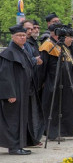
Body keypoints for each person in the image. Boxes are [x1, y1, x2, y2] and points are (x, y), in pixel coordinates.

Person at [39, 24, 73, 141]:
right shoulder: (48, 46)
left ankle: (72, 131)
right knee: (54, 109)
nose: (71, 39)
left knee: (67, 108)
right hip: (53, 83)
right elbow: (43, 68)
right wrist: (42, 83)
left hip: (66, 84)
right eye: (69, 36)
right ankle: (52, 133)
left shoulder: (63, 47)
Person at [0, 25, 44, 154]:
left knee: (21, 119)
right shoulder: (8, 53)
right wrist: (10, 93)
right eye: (19, 35)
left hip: (24, 91)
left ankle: (20, 144)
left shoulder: (22, 51)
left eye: (24, 35)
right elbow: (5, 76)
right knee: (13, 120)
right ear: (13, 37)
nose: (22, 37)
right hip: (14, 93)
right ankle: (14, 147)